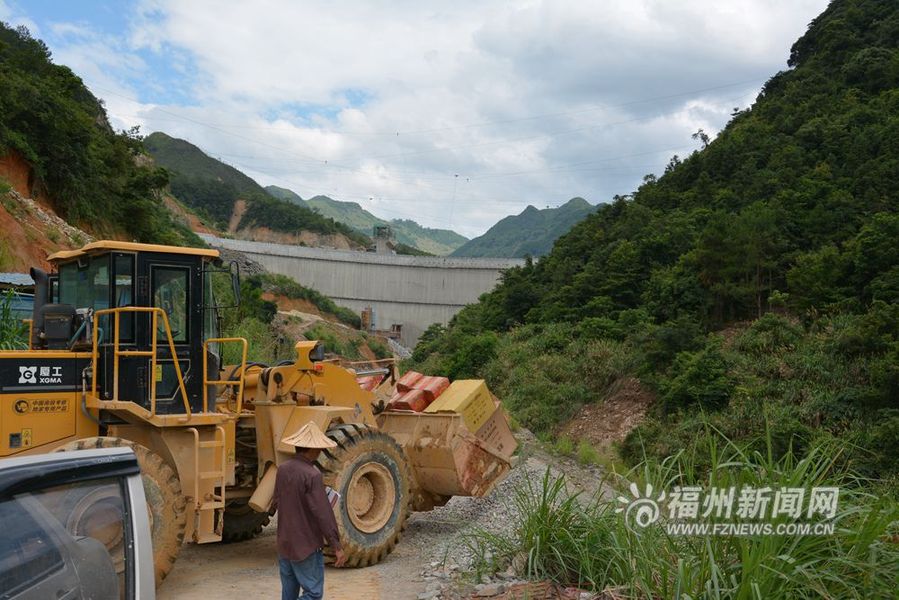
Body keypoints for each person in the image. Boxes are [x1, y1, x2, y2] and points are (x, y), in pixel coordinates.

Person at [274, 421, 347, 600]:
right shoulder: (312, 475)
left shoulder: (282, 470)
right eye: (319, 448)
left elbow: (276, 501)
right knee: (313, 594)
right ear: (312, 449)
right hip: (305, 545)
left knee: (288, 595)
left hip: (285, 543)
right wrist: (336, 545)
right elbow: (323, 514)